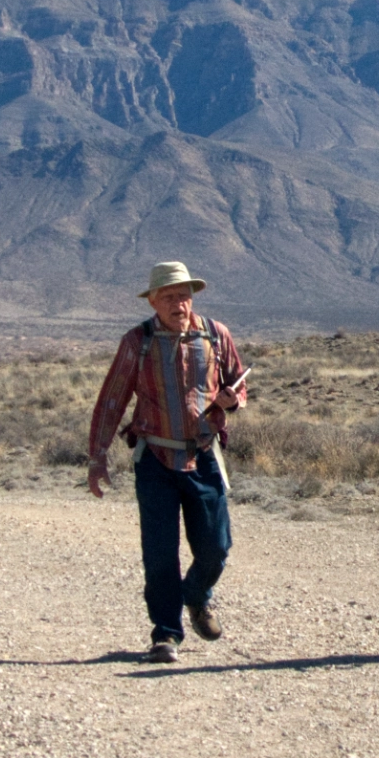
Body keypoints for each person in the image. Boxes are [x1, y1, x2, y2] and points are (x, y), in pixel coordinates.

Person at [87, 262, 248, 664]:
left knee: (216, 546)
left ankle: (196, 595)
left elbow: (237, 382)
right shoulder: (137, 341)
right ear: (154, 301)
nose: (180, 304)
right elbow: (113, 398)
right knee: (159, 553)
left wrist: (233, 399)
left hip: (204, 456)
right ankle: (166, 634)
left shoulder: (215, 335)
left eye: (185, 295)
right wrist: (98, 455)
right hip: (155, 458)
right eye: (170, 297)